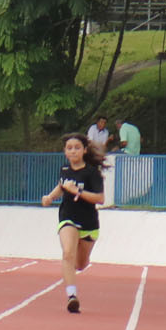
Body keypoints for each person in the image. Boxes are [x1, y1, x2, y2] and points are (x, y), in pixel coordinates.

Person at [42, 132, 106, 313]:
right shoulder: (64, 170)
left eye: (77, 148)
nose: (73, 151)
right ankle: (72, 296)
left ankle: (76, 270)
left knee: (80, 264)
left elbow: (100, 198)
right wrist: (50, 197)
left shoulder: (92, 173)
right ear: (65, 151)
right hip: (67, 217)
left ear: (84, 150)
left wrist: (78, 191)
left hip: (88, 223)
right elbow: (61, 186)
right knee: (68, 253)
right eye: (69, 148)